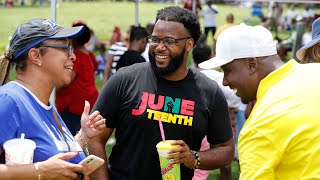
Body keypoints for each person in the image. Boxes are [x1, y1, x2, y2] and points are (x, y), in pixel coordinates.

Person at [89, 6, 234, 180]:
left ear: (189, 44)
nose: (159, 47)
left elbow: (225, 150)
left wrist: (193, 158)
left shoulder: (209, 92)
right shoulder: (125, 79)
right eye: (155, 39)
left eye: (170, 41)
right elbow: (95, 137)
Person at [199, 23, 320, 179]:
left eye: (227, 70)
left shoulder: (259, 127)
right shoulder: (315, 70)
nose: (224, 81)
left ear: (252, 65)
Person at [0, 18, 106, 179]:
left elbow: (55, 157)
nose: (73, 56)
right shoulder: (9, 100)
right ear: (36, 55)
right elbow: (47, 167)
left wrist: (84, 135)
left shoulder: (46, 105)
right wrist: (40, 171)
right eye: (66, 48)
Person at [192, 40, 240, 180]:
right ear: (211, 56)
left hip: (195, 125)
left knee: (195, 159)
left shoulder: (187, 75)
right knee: (223, 161)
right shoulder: (217, 78)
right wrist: (229, 109)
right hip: (219, 126)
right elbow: (235, 96)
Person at [56, 22, 99, 136]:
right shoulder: (89, 54)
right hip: (88, 100)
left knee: (71, 136)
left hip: (74, 105)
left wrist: (54, 86)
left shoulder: (76, 57)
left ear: (73, 39)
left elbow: (67, 80)